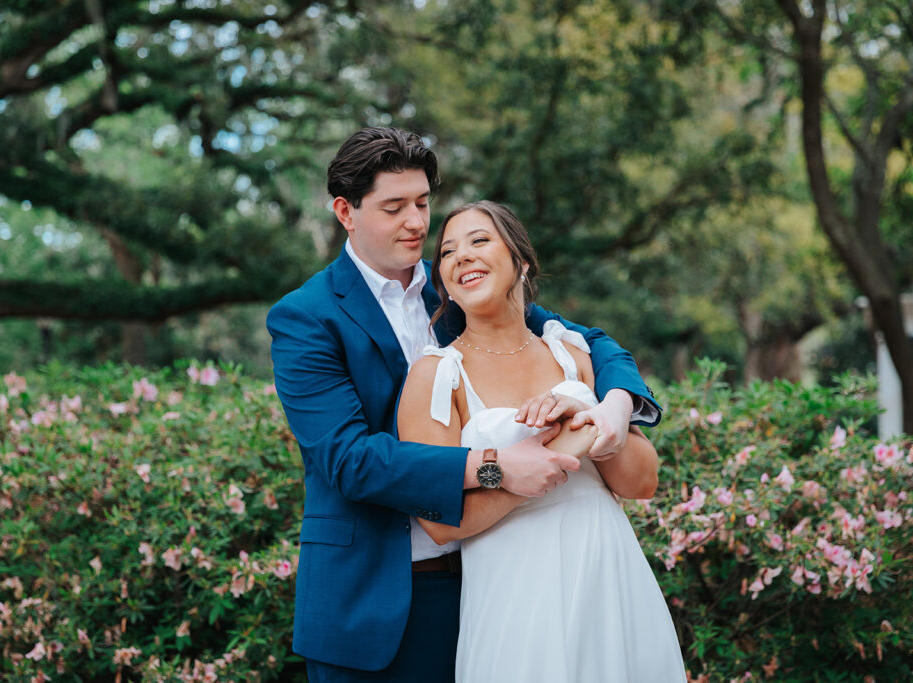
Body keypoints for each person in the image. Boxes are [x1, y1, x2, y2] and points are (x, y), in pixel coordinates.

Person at [266, 127, 661, 682]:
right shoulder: (305, 316)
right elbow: (347, 459)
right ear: (345, 212)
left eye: (424, 202)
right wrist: (496, 466)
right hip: (366, 598)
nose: (417, 223)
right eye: (394, 207)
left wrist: (617, 405)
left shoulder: (461, 290)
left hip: (481, 581)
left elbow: (592, 342)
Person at [397, 200, 685, 682]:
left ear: (521, 261)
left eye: (479, 240)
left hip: (607, 574)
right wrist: (533, 469)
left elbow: (643, 481)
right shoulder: (436, 375)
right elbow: (438, 524)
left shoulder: (571, 354)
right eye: (447, 252)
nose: (461, 256)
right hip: (514, 592)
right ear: (443, 281)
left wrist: (590, 423)